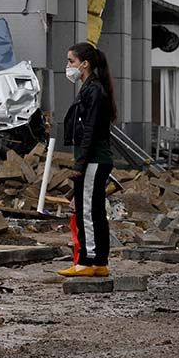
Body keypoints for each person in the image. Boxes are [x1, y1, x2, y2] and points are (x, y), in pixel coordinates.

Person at [58, 42, 116, 278]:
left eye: (71, 61)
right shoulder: (93, 88)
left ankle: (87, 261)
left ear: (85, 64)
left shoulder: (93, 90)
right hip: (95, 159)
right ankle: (99, 261)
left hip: (94, 159)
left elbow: (90, 129)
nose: (68, 66)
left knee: (88, 211)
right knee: (94, 210)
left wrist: (79, 164)